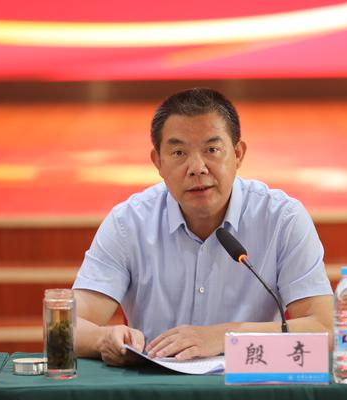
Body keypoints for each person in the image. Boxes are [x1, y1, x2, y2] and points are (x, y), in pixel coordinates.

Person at [72, 88, 333, 366]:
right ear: (158, 162)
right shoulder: (129, 223)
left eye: (212, 150)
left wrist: (225, 337)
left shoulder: (282, 219)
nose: (197, 167)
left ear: (238, 154)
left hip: (248, 382)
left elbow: (325, 328)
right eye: (178, 152)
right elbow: (68, 325)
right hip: (157, 383)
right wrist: (103, 338)